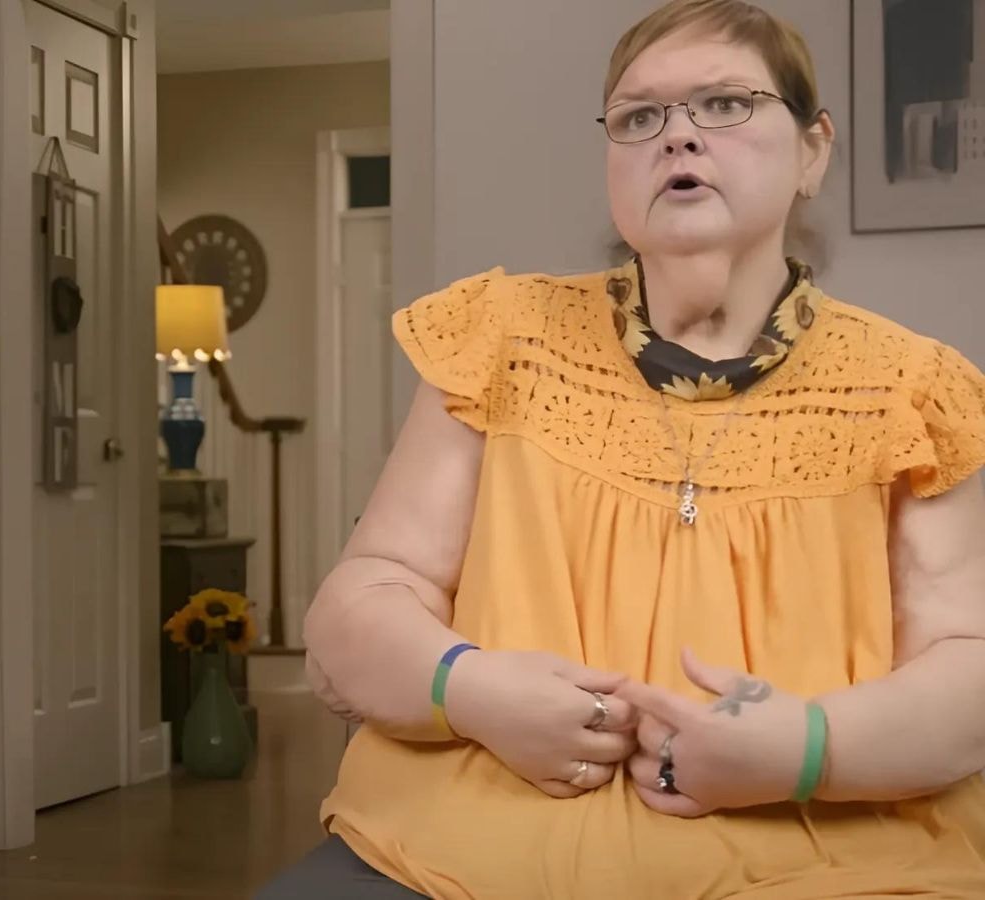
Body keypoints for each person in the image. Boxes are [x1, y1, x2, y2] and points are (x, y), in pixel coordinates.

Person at [256, 2, 985, 898]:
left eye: (724, 104)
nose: (678, 139)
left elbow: (967, 670)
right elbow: (357, 608)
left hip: (826, 858)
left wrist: (802, 752)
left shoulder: (912, 388)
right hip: (459, 849)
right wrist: (471, 689)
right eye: (640, 118)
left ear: (812, 150)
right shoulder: (500, 336)